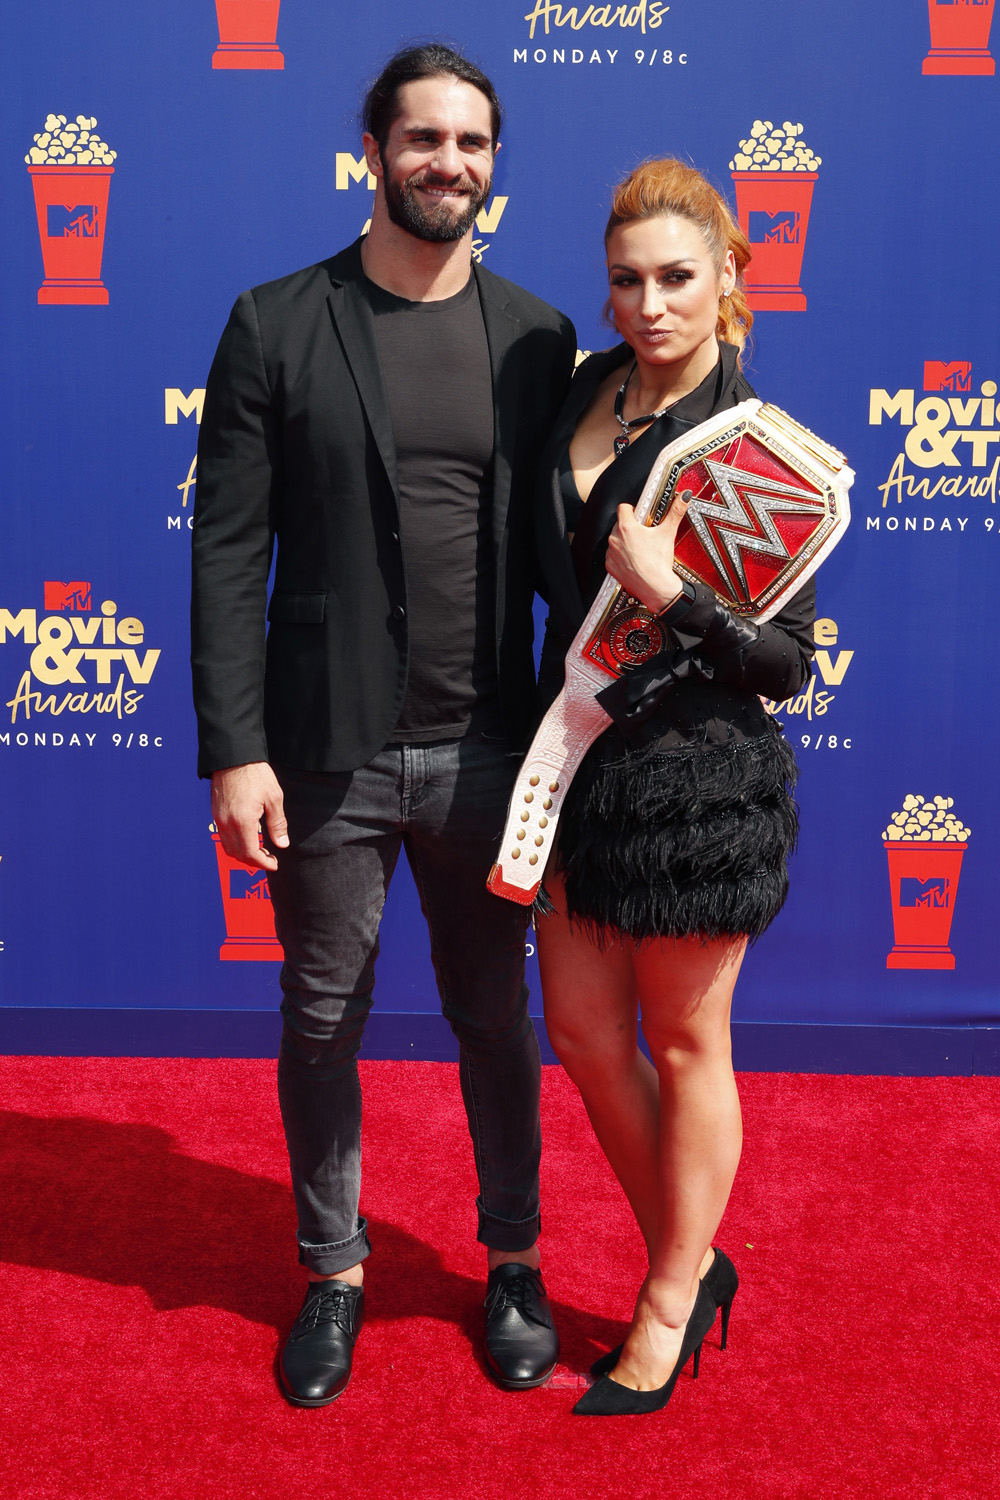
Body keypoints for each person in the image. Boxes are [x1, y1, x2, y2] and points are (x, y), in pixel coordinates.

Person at [191, 44, 576, 1405]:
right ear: (373, 152)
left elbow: (563, 553)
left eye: (474, 143)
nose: (451, 164)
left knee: (495, 1020)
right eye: (425, 140)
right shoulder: (277, 322)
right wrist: (235, 747)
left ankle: (514, 1260)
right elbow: (229, 554)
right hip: (325, 748)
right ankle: (333, 1272)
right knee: (320, 1020)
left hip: (491, 746)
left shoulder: (538, 338)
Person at [531, 159, 816, 1416]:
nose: (648, 305)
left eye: (676, 279)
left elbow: (787, 663)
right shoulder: (584, 391)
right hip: (572, 760)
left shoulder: (762, 453)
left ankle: (662, 1303)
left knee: (689, 1042)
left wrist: (674, 598)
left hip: (694, 782)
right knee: (588, 1040)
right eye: (627, 281)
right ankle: (695, 1260)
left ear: (729, 280)